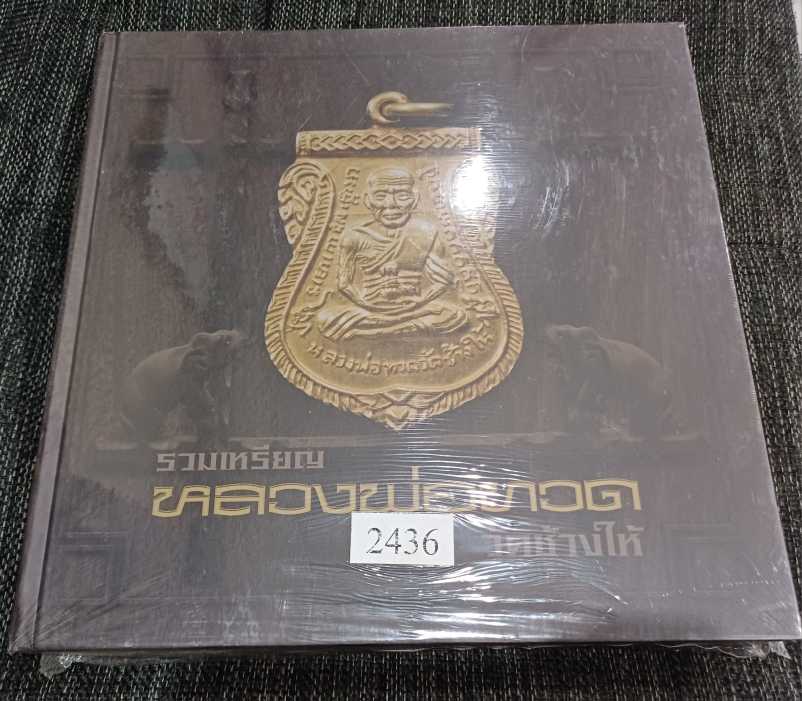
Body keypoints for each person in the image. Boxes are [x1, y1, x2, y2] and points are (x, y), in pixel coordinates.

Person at [316, 166, 468, 341]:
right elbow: (344, 285)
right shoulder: (354, 236)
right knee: (326, 318)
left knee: (456, 315)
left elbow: (443, 281)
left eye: (402, 196)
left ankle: (369, 333)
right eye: (380, 196)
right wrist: (367, 305)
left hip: (415, 307)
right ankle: (401, 329)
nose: (390, 204)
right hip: (369, 309)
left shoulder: (425, 233)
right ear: (367, 200)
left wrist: (419, 302)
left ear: (415, 199)